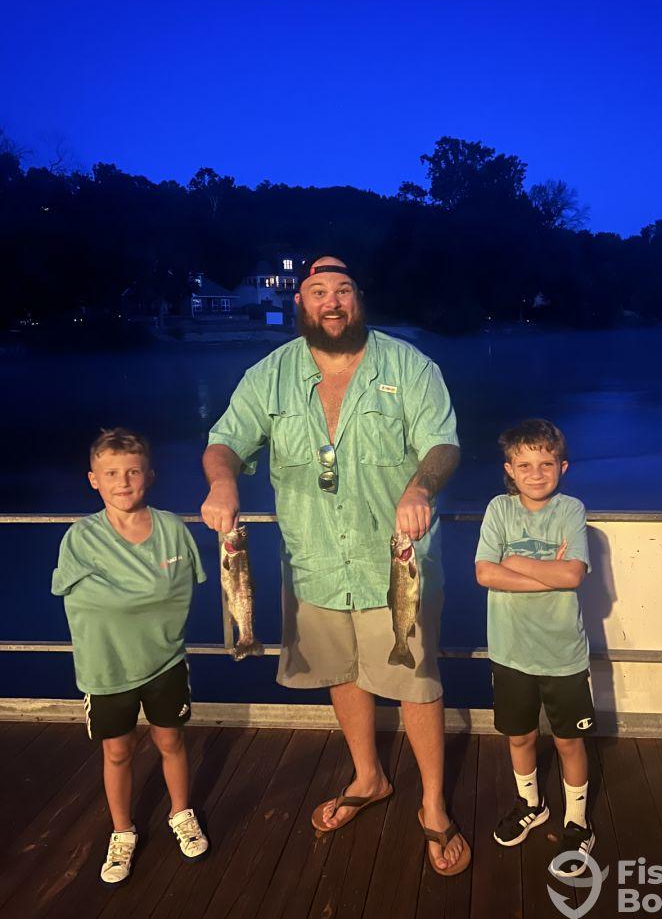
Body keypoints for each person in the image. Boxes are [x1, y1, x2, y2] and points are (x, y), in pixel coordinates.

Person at [201, 255, 470, 875]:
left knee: (415, 681)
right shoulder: (269, 376)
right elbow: (225, 441)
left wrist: (420, 488)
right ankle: (369, 776)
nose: (332, 301)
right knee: (340, 672)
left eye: (343, 290)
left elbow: (444, 444)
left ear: (358, 300)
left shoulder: (409, 365)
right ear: (301, 303)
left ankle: (433, 804)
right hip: (314, 561)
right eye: (318, 291)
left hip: (396, 562)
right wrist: (223, 485)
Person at [52, 428, 209, 887]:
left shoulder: (172, 528)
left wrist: (129, 592)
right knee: (117, 751)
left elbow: (184, 587)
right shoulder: (80, 537)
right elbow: (82, 599)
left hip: (165, 661)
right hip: (107, 669)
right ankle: (122, 830)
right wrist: (145, 589)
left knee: (171, 742)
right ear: (93, 480)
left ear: (150, 476)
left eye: (133, 472)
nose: (124, 482)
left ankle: (181, 812)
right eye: (112, 474)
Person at [474, 418, 595, 876]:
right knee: (520, 735)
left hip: (563, 653)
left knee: (568, 740)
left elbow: (573, 575)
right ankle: (531, 804)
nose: (537, 473)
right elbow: (485, 573)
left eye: (546, 463)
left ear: (563, 466)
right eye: (525, 465)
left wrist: (519, 562)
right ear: (510, 468)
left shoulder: (571, 509)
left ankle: (578, 819)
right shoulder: (499, 511)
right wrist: (547, 574)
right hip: (509, 652)